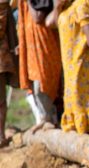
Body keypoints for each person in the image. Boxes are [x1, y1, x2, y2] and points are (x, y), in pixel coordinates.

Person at [46, 0, 89, 136]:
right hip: (73, 71)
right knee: (77, 113)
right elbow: (50, 23)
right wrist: (58, 6)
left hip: (85, 70)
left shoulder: (83, 3)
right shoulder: (68, 7)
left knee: (88, 113)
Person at [18, 0, 62, 128]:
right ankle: (45, 119)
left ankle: (47, 120)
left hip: (44, 44)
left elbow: (38, 17)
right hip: (34, 47)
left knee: (42, 84)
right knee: (36, 85)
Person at [0, 1, 18, 148]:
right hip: (2, 59)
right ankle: (0, 134)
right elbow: (12, 34)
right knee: (0, 101)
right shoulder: (4, 7)